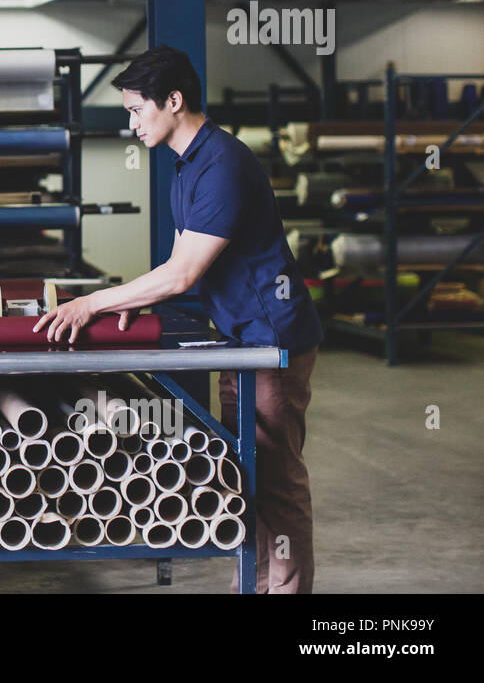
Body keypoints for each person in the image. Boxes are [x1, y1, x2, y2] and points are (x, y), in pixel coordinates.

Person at [33, 46, 323, 594]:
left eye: (138, 110)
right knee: (252, 475)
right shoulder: (185, 168)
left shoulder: (224, 164)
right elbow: (173, 266)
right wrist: (134, 299)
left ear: (174, 100)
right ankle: (257, 587)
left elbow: (184, 274)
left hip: (271, 341)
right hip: (239, 342)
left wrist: (95, 301)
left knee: (278, 482)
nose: (131, 123)